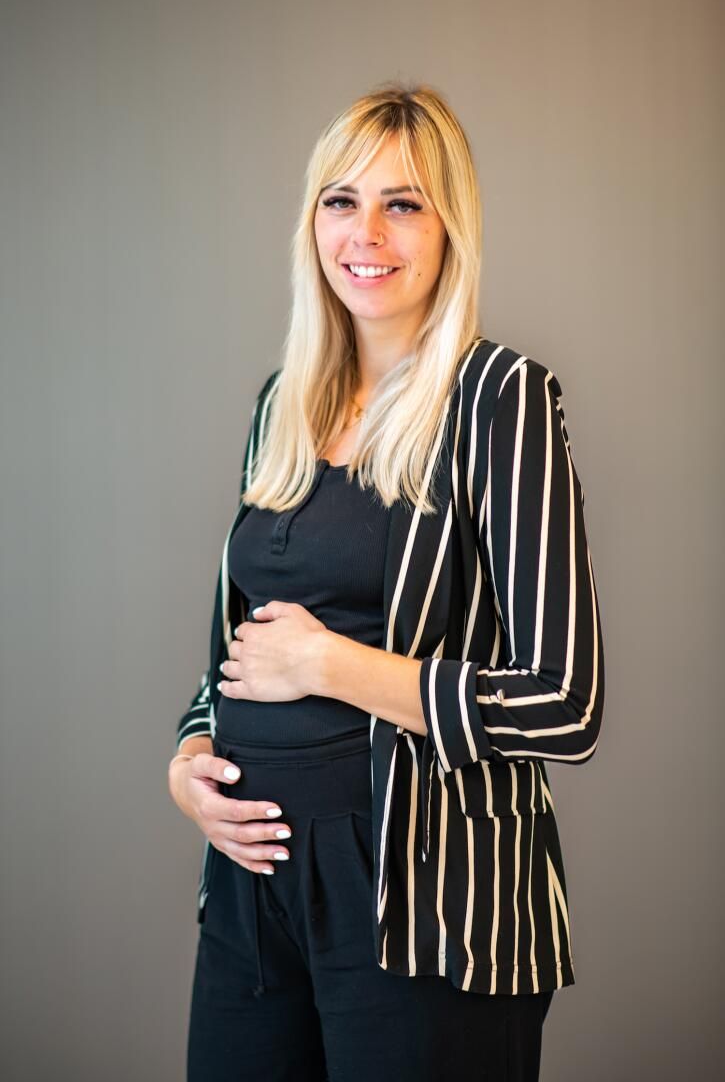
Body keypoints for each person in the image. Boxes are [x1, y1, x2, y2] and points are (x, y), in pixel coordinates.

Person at [167, 82, 605, 1082]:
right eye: (341, 200)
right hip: (251, 892)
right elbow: (237, 652)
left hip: (425, 899)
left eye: (401, 203)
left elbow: (565, 705)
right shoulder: (282, 404)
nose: (364, 232)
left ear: (449, 228)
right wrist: (189, 759)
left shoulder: (501, 399)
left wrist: (331, 665)